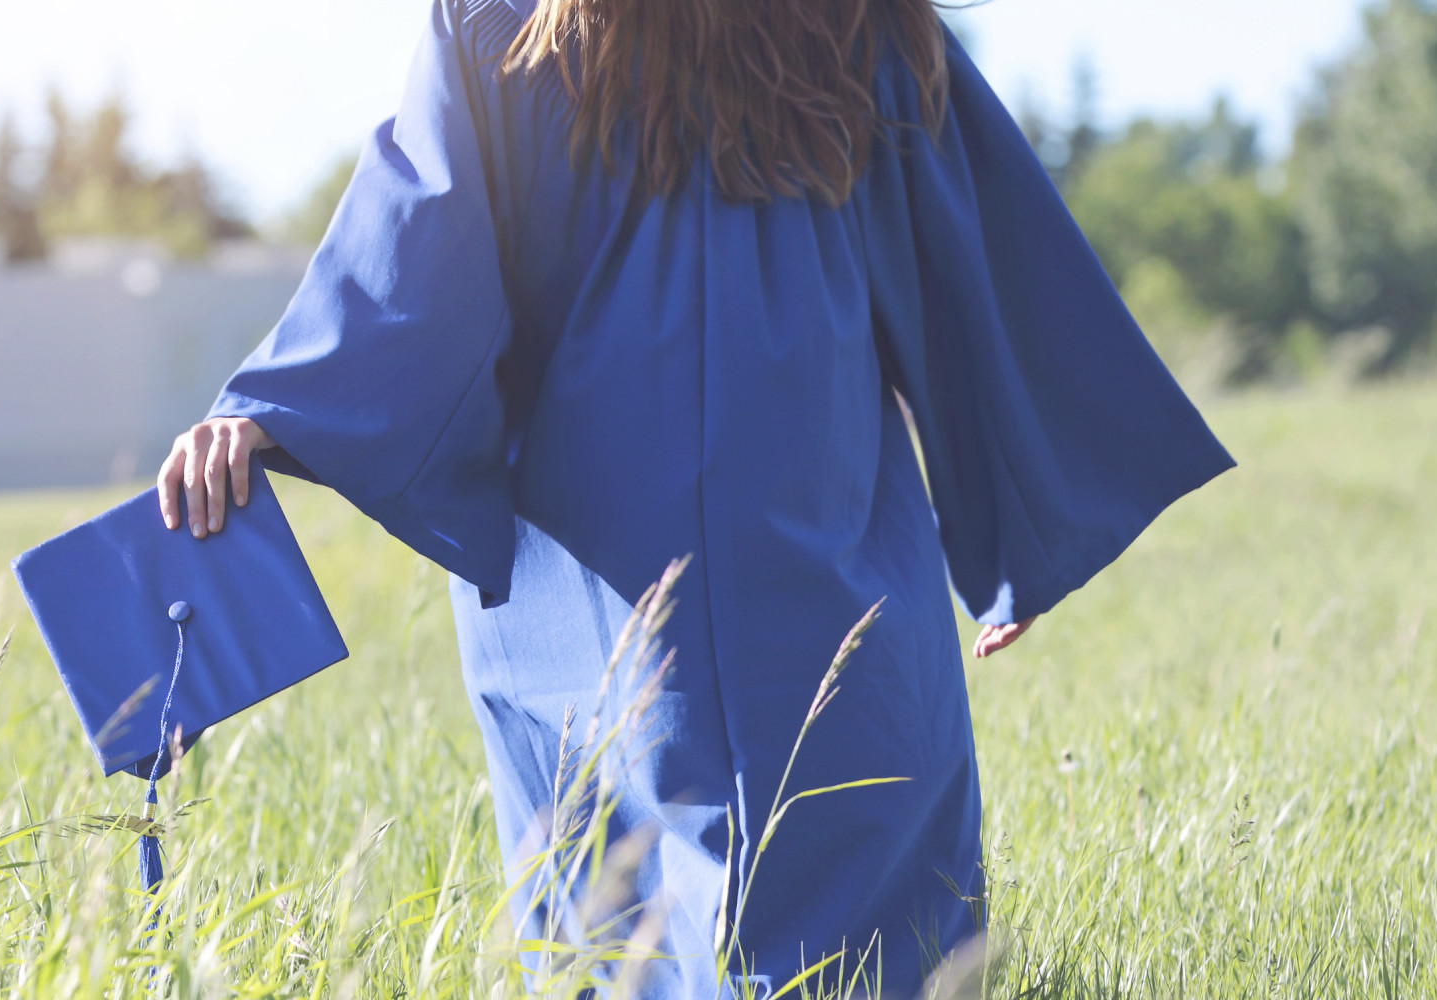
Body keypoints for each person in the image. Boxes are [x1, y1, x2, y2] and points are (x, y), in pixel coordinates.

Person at [156, 0, 1234, 994]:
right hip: (786, 542)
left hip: (606, 587)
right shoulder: (841, 24)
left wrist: (273, 407)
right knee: (832, 911)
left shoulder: (539, 23)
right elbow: (974, 273)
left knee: (619, 925)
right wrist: (1013, 511)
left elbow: (408, 257)